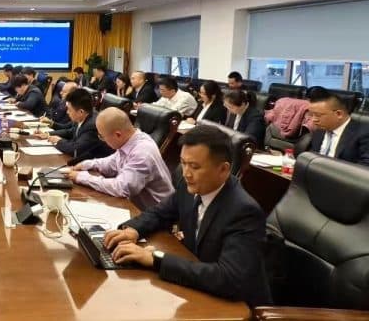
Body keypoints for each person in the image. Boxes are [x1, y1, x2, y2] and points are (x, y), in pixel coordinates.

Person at [102, 125, 271, 307]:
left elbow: (228, 278)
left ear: (223, 169)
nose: (186, 173)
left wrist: (156, 259)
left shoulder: (244, 212)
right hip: (196, 288)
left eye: (195, 166)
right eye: (183, 163)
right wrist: (133, 230)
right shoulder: (189, 185)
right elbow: (160, 213)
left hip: (235, 307)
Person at [66, 107, 174, 210]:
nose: (102, 140)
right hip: (136, 205)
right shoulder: (130, 139)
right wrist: (87, 164)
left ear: (118, 134)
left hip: (155, 213)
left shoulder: (142, 152)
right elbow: (112, 163)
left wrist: (83, 177)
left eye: (102, 136)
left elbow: (121, 188)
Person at [37, 89, 113, 161]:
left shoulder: (92, 125)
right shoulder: (84, 115)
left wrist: (59, 141)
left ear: (80, 112)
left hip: (95, 166)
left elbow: (75, 149)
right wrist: (48, 134)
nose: (67, 112)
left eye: (69, 109)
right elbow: (70, 132)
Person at [308, 88, 369, 166]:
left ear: (339, 114)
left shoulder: (364, 133)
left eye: (318, 115)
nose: (314, 120)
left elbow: (365, 167)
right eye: (311, 115)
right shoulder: (320, 129)